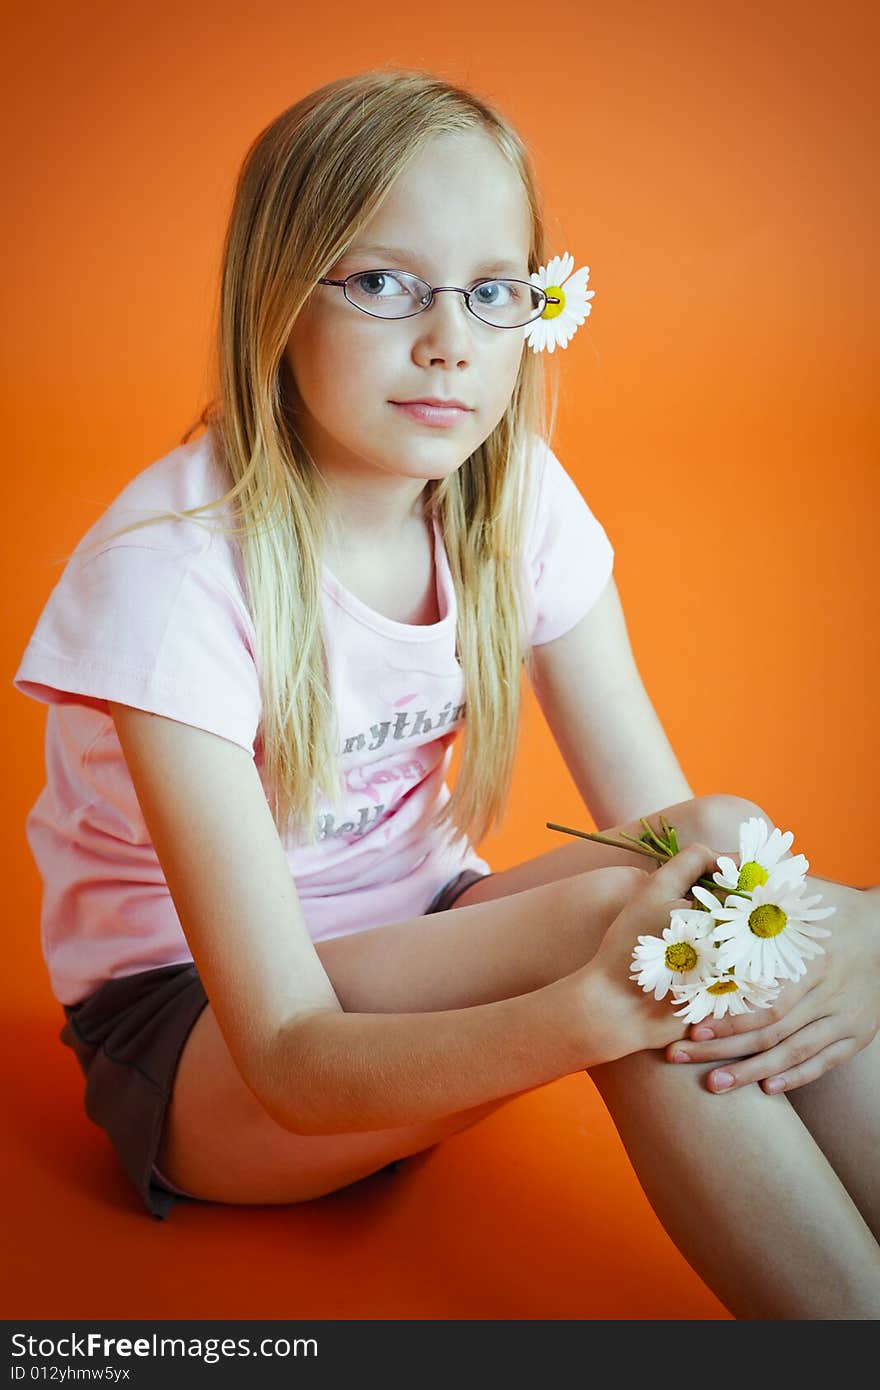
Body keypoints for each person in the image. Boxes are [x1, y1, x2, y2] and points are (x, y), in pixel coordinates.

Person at [13, 66, 879, 1320]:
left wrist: (848, 930)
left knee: (717, 849)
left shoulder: (511, 496)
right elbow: (294, 1058)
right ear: (276, 295)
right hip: (212, 1049)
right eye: (380, 283)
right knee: (637, 931)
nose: (450, 342)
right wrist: (591, 1013)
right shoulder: (171, 580)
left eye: (493, 292)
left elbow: (668, 829)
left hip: (424, 946)